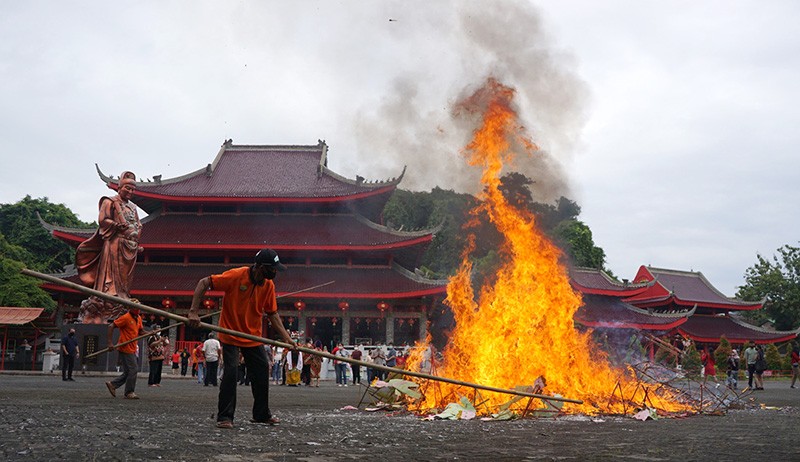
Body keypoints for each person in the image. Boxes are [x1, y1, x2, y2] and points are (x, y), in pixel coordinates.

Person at [187, 248, 297, 429]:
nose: (275, 272)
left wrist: (287, 338)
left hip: (252, 336)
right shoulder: (236, 276)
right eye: (273, 268)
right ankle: (225, 416)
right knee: (231, 372)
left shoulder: (268, 285)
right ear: (261, 267)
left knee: (262, 369)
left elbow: (273, 314)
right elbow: (204, 282)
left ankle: (261, 414)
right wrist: (193, 312)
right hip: (230, 333)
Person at [76, 171, 143, 324]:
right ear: (119, 187)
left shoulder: (132, 207)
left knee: (125, 278)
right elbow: (102, 219)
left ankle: (122, 296)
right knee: (111, 274)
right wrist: (116, 225)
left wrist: (137, 232)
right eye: (127, 188)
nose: (130, 192)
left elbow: (137, 223)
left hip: (129, 246)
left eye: (133, 189)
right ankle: (107, 296)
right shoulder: (110, 201)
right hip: (114, 242)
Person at [105, 304, 145, 399]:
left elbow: (141, 331)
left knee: (128, 371)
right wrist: (110, 343)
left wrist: (151, 333)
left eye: (138, 308)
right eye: (135, 308)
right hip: (125, 347)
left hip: (133, 347)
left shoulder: (138, 318)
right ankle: (129, 392)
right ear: (130, 308)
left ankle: (113, 384)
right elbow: (111, 326)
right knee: (133, 369)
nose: (137, 310)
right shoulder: (126, 318)